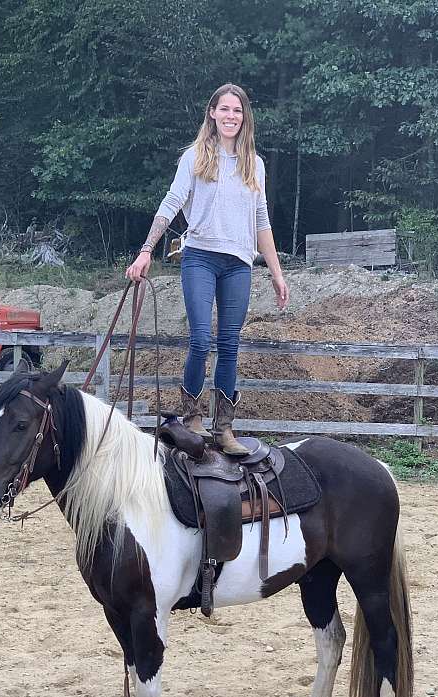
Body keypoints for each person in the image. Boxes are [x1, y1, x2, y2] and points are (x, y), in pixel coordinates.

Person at [126, 83, 289, 455]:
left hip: (239, 263)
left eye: (237, 110)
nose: (231, 116)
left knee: (230, 344)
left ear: (244, 117)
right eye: (225, 109)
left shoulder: (255, 165)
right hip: (199, 255)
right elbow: (171, 202)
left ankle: (225, 428)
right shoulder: (196, 156)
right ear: (212, 113)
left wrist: (277, 273)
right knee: (201, 339)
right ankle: (192, 417)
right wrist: (146, 250)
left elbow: (261, 220)